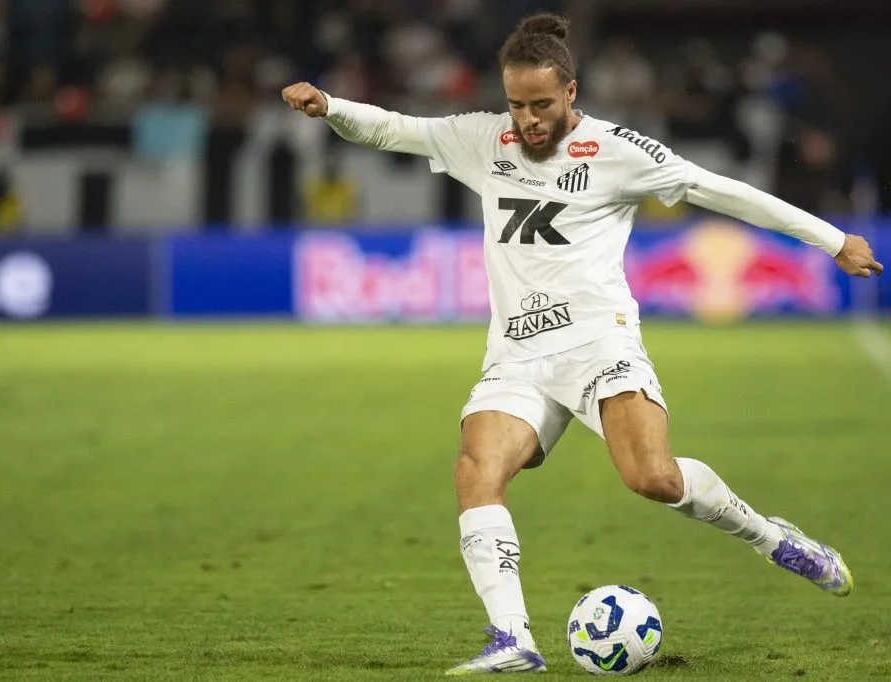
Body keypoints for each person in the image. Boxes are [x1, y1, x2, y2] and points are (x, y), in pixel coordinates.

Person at [282, 13, 882, 676]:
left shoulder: (618, 152)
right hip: (517, 357)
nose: (529, 120)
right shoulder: (484, 139)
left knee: (653, 479)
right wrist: (330, 107)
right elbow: (396, 128)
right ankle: (512, 638)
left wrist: (833, 240)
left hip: (599, 345)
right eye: (517, 104)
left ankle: (773, 539)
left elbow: (721, 190)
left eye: (542, 104)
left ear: (571, 92)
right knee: (476, 469)